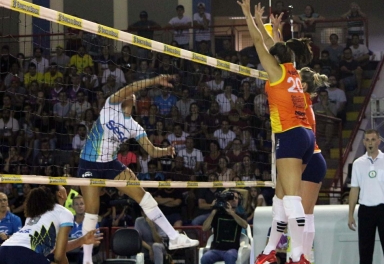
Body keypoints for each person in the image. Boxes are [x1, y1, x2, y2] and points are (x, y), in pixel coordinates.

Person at [77, 74, 198, 264]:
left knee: (144, 196)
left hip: (110, 164)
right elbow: (133, 86)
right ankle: (86, 260)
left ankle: (174, 238)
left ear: (133, 103)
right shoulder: (111, 105)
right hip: (89, 162)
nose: (129, 94)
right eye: (128, 92)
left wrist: (165, 151)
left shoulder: (134, 126)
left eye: (132, 95)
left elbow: (151, 151)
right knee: (92, 210)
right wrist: (155, 81)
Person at [238, 0, 315, 264]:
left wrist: (248, 16)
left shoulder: (277, 72)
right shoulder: (293, 70)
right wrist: (269, 25)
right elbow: (275, 45)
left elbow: (261, 44)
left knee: (291, 198)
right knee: (281, 197)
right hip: (305, 134)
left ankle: (298, 255)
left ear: (275, 59)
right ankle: (270, 250)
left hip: (291, 135)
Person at [348, 129, 384, 264]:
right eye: (367, 140)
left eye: (373, 139)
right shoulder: (358, 163)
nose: (370, 142)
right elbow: (354, 189)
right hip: (366, 211)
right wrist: (350, 214)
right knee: (365, 252)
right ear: (364, 142)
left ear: (379, 141)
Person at [298, 67, 329, 261]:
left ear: (304, 85)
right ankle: (304, 256)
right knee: (305, 214)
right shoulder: (302, 102)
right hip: (309, 159)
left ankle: (303, 256)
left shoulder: (302, 103)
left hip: (310, 159)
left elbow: (306, 141)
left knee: (303, 214)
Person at [0, 186, 73, 264]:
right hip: (25, 251)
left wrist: (82, 240)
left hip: (4, 249)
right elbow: (59, 256)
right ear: (60, 194)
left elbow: (56, 250)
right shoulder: (64, 212)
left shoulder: (35, 211)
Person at [200, 190, 248, 264]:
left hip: (232, 249)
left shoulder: (240, 215)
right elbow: (204, 228)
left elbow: (245, 225)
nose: (234, 200)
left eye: (236, 198)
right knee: (205, 258)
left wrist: (231, 213)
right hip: (216, 250)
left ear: (239, 201)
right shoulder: (218, 214)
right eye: (231, 198)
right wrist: (213, 211)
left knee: (229, 255)